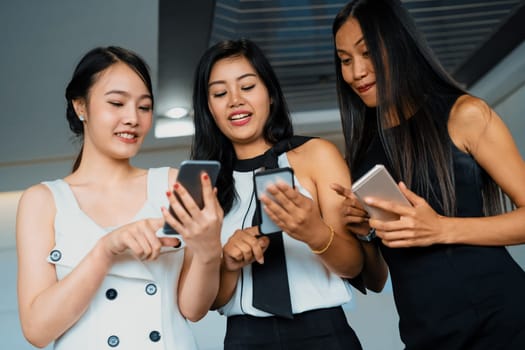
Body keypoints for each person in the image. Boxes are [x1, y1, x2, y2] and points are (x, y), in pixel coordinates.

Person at [331, 0, 525, 349]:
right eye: (345, 60)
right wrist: (365, 232)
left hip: (503, 322)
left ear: (398, 44)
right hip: (426, 334)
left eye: (368, 52)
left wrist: (441, 228)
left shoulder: (465, 114)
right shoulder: (362, 154)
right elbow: (377, 279)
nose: (357, 71)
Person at [16, 46, 223, 349]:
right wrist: (105, 250)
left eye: (144, 107)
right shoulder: (43, 201)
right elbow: (37, 330)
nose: (132, 119)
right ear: (80, 107)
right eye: (116, 103)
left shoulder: (170, 183)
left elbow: (193, 309)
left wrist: (208, 250)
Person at [191, 38, 365, 349]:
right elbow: (201, 304)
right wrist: (227, 263)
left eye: (247, 86)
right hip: (244, 338)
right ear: (208, 108)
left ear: (270, 93)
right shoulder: (201, 182)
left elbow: (354, 266)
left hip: (324, 334)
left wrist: (313, 232)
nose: (234, 100)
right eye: (219, 93)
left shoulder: (317, 155)